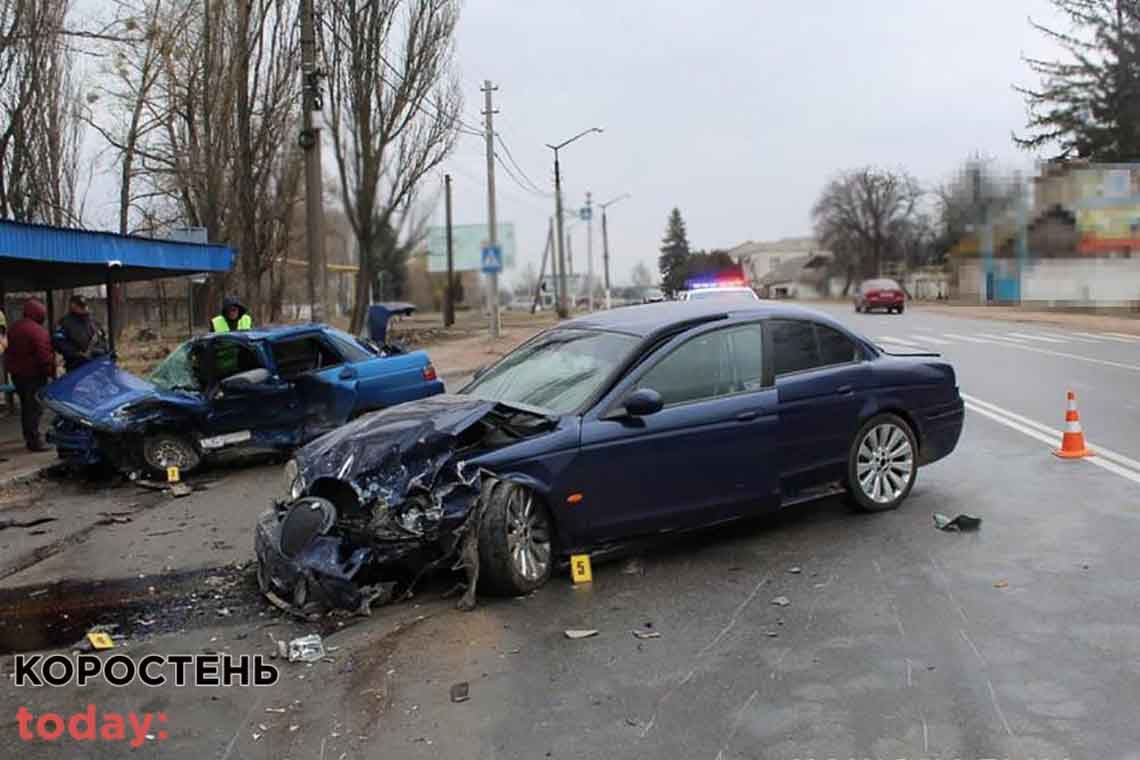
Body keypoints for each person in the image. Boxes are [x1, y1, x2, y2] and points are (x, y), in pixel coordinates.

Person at [5, 298, 55, 451]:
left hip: (17, 375)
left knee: (26, 407)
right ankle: (34, 441)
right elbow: (44, 355)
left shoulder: (13, 328)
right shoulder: (38, 331)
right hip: (34, 375)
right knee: (35, 408)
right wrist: (50, 371)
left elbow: (8, 351)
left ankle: (29, 437)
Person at [53, 294, 107, 373]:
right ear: (72, 306)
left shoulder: (93, 322)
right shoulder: (65, 322)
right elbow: (58, 341)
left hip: (96, 365)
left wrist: (102, 350)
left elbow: (102, 339)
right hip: (76, 366)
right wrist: (76, 354)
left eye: (84, 306)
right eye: (80, 306)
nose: (84, 308)